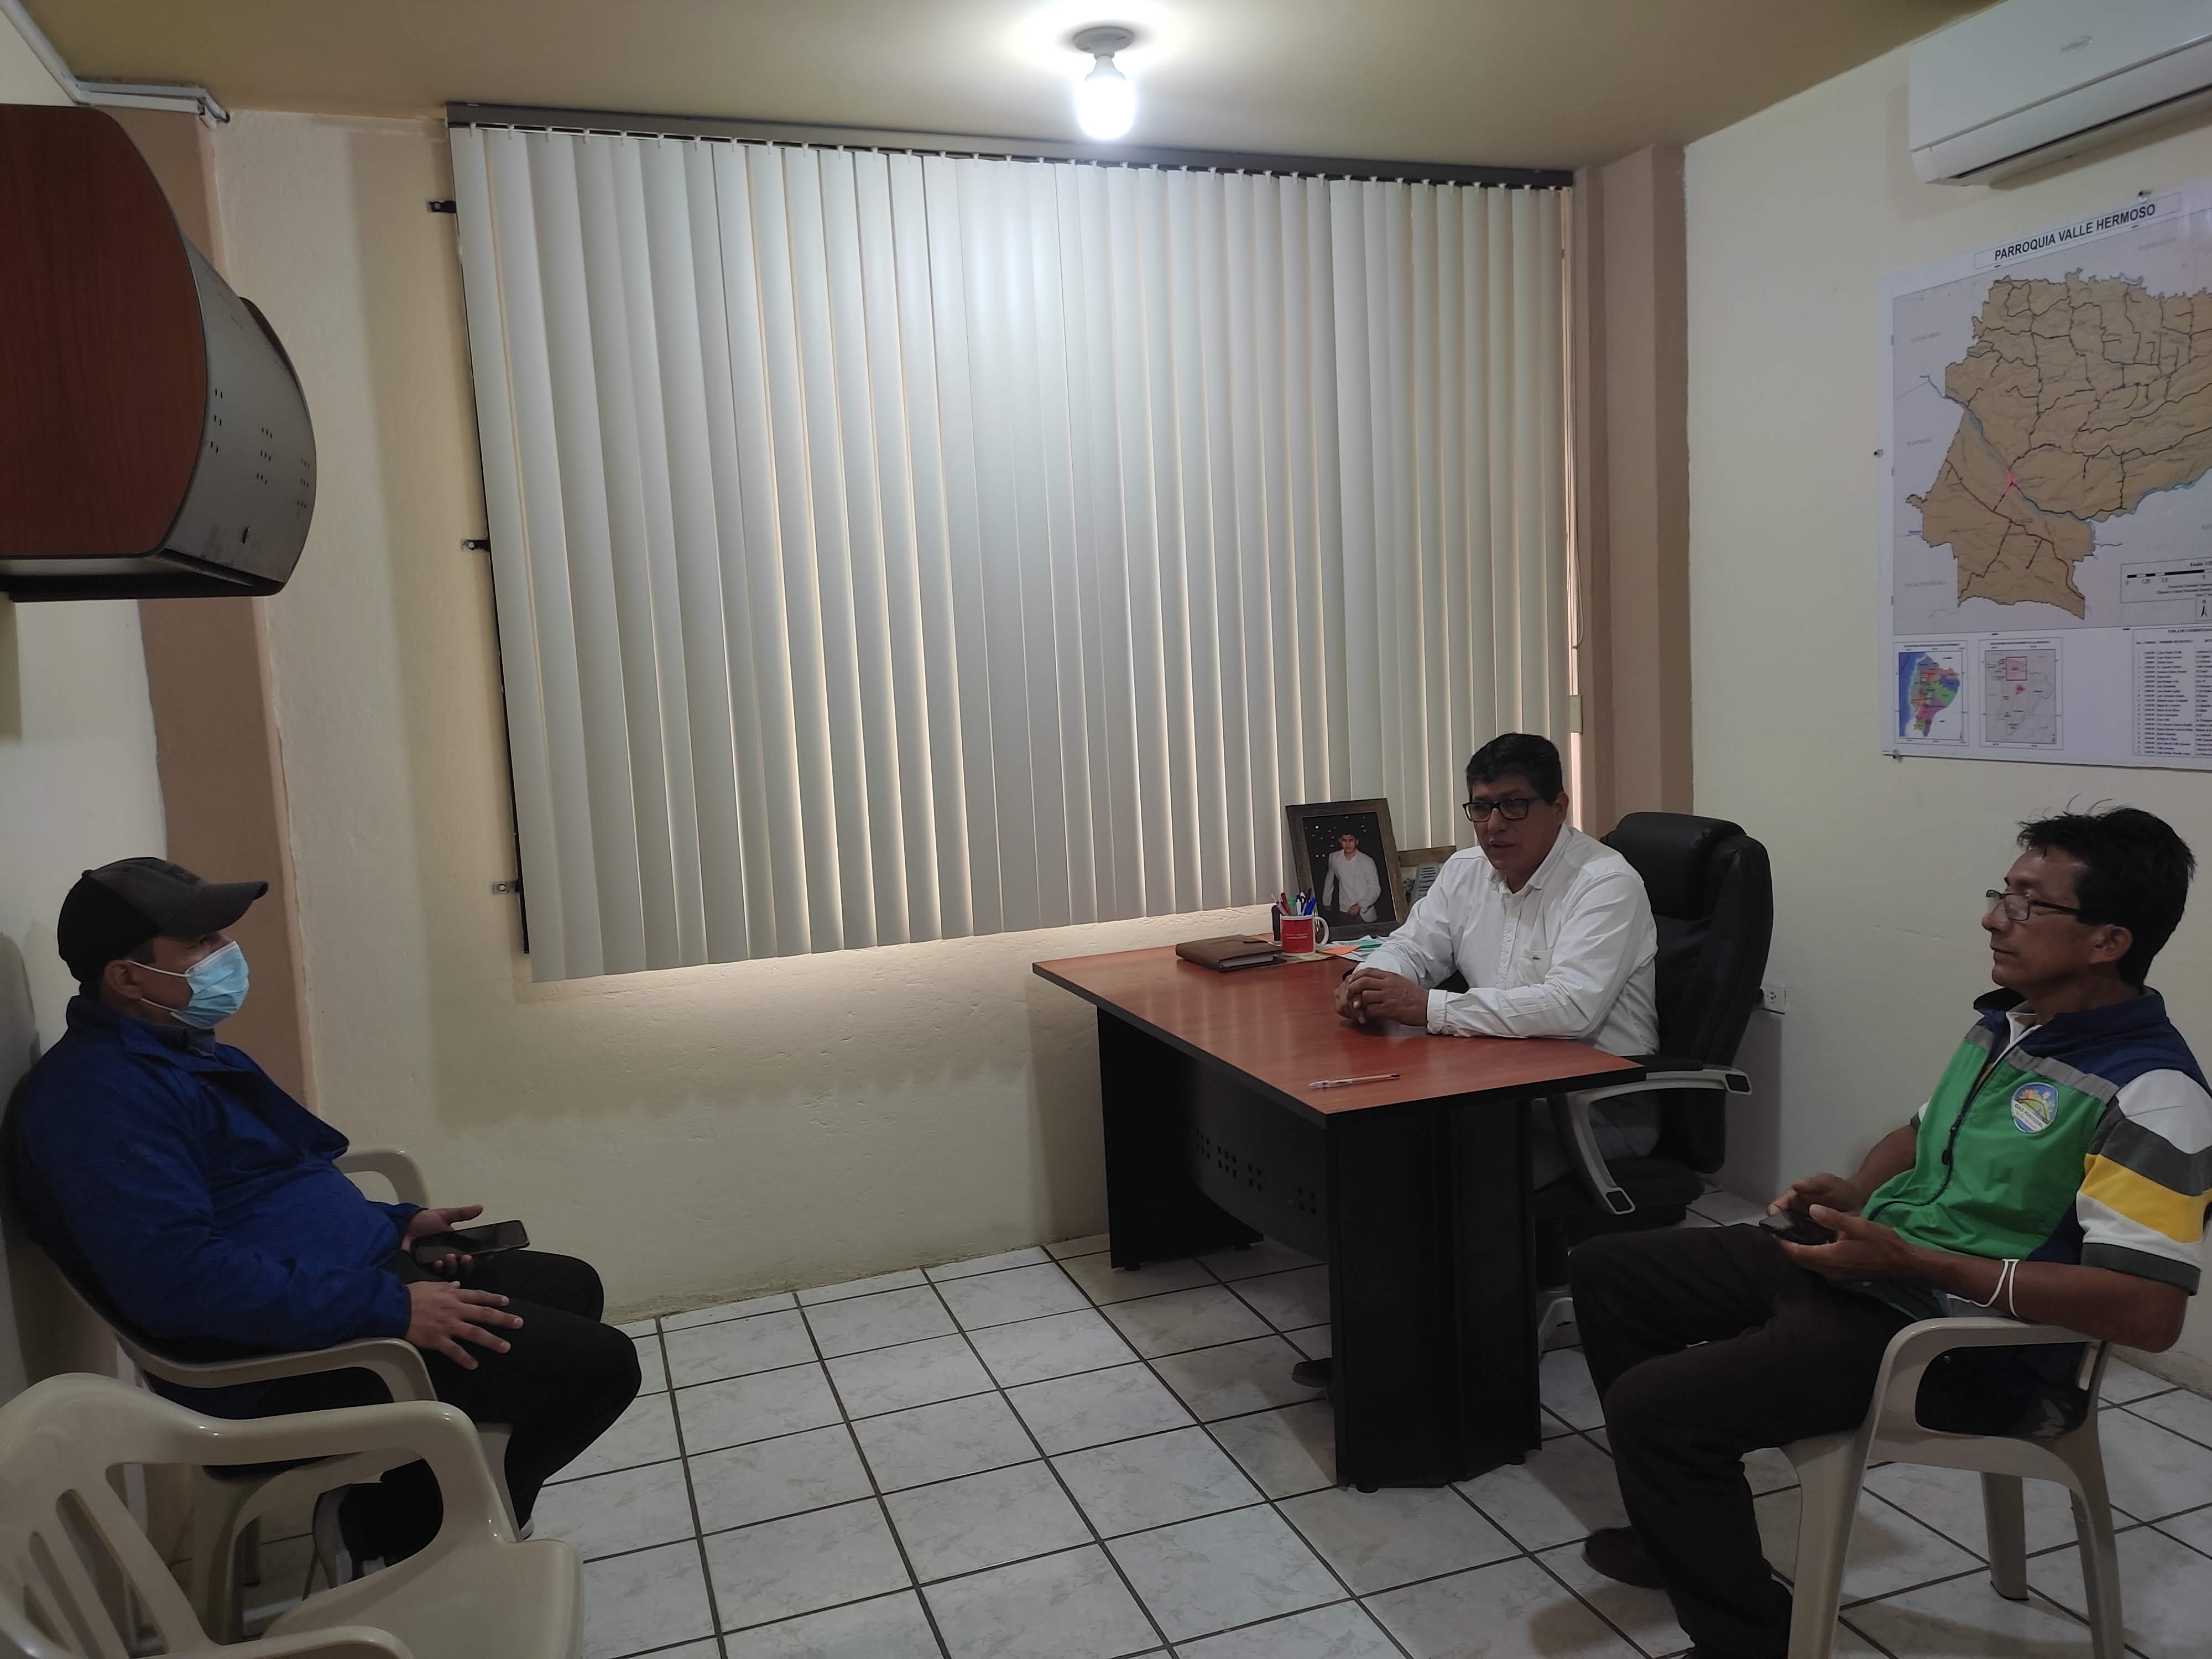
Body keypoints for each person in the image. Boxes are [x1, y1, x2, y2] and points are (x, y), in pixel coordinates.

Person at [1569, 806, 2207, 1659]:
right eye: (2002, 895)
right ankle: (1676, 1530)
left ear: (2108, 941)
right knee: (1610, 1273)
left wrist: (1918, 1259)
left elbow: (2150, 1312)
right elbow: (1920, 1130)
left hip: (1961, 1352)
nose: (1994, 919)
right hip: (1881, 1273)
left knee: (1657, 1410)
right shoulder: (2011, 1023)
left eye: (2027, 904)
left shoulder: (2154, 1094)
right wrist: (1859, 1190)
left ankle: (1747, 1645)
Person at [11, 858, 640, 1579]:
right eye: (202, 943)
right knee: (601, 1369)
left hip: (339, 1288)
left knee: (570, 1287)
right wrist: (392, 1308)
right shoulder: (99, 1104)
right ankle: (386, 1527)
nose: (227, 954)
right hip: (274, 1364)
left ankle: (441, 1503)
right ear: (127, 977)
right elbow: (180, 1282)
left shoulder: (171, 1053)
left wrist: (395, 1225)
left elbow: (271, 1188)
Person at [1335, 732, 1660, 1177]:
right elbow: (1412, 946)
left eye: (1514, 805)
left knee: (1434, 1164)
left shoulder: (1605, 883)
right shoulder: (1465, 870)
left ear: (1559, 807)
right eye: (1482, 807)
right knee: (1374, 1129)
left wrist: (1428, 1007)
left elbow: (1572, 1009)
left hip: (1593, 1101)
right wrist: (1368, 982)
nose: (1494, 824)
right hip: (1497, 1079)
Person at [1321, 830, 1385, 924]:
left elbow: (1376, 889)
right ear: (1340, 841)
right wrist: (1326, 901)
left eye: (1351, 840)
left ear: (1357, 842)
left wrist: (1360, 905)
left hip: (1364, 913)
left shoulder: (1367, 861)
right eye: (1344, 840)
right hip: (1344, 910)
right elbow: (1329, 880)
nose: (1348, 844)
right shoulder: (1334, 858)